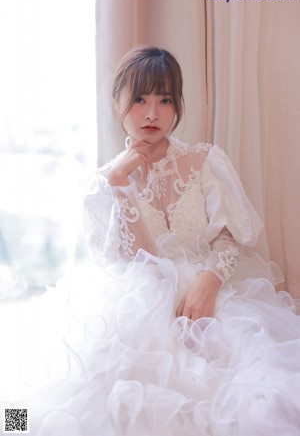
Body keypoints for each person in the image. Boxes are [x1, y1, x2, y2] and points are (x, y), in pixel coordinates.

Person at [1, 46, 300, 436]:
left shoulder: (206, 161)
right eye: (139, 99)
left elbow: (229, 237)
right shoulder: (101, 184)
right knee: (64, 408)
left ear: (178, 105)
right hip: (138, 303)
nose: (152, 113)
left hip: (212, 292)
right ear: (117, 103)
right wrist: (120, 186)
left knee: (259, 391)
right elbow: (135, 260)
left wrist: (207, 283)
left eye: (165, 99)